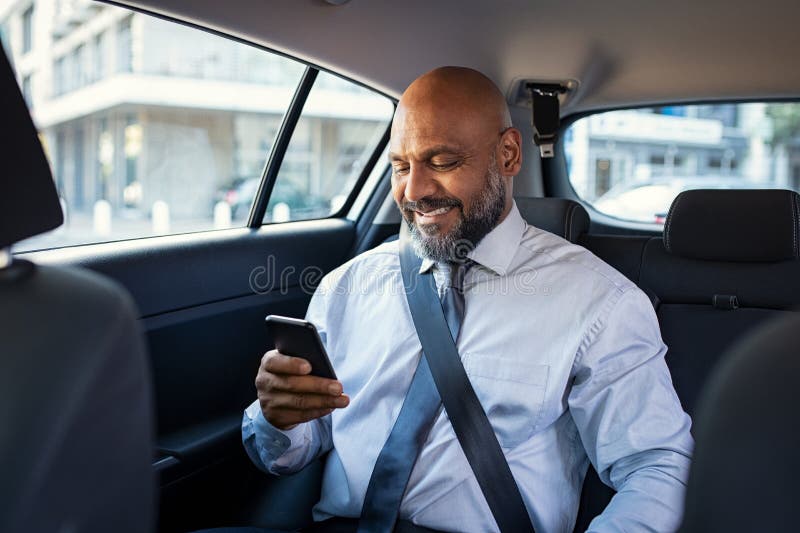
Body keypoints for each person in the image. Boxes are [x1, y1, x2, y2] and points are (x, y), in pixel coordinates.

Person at [241, 67, 693, 532]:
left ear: (509, 154)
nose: (413, 192)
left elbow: (658, 468)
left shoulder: (599, 302)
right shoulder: (345, 287)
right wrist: (279, 419)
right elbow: (293, 449)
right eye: (401, 166)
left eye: (441, 161)